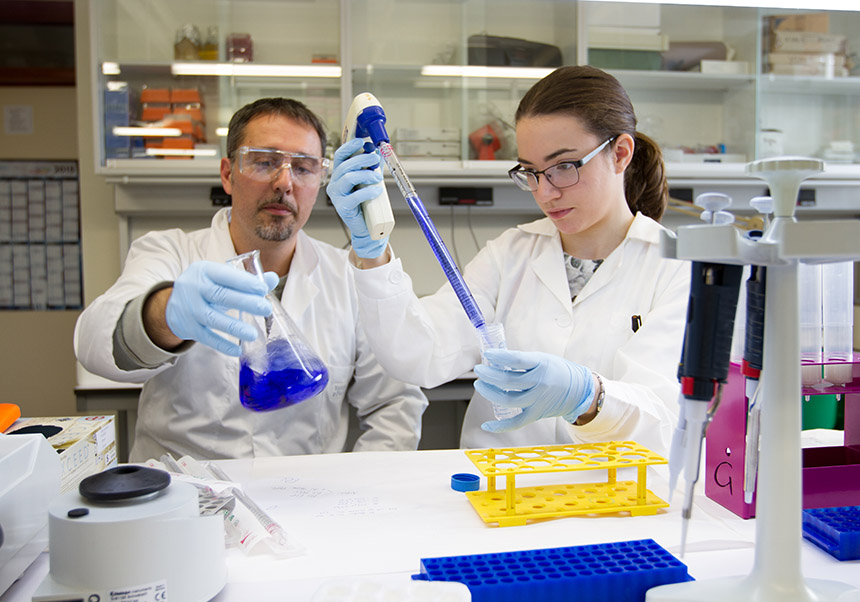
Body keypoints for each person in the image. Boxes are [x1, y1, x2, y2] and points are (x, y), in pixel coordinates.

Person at [326, 66, 690, 455]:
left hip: (613, 499)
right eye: (531, 172)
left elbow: (663, 417)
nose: (545, 192)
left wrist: (590, 396)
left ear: (620, 154)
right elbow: (419, 356)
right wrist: (373, 254)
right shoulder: (510, 253)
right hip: (501, 497)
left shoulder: (675, 269)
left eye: (564, 167)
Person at [74, 98, 428, 462]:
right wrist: (164, 315)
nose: (284, 183)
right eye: (264, 161)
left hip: (307, 502)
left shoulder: (348, 277)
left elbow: (395, 403)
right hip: (186, 502)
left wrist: (355, 491)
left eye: (304, 168)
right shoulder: (170, 253)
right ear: (228, 174)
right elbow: (94, 346)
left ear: (321, 180)